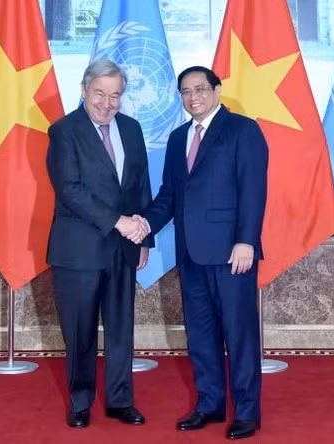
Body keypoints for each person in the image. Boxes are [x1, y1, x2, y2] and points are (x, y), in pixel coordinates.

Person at [138, 66, 268, 440]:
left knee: (239, 335)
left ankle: (247, 412)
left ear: (217, 90)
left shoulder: (243, 130)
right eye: (185, 91)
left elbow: (253, 189)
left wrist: (246, 241)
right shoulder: (178, 137)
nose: (192, 97)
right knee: (201, 335)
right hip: (191, 255)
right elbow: (170, 195)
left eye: (200, 89)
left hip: (232, 253)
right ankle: (209, 404)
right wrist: (145, 226)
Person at [46, 59, 152, 429]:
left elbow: (140, 186)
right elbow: (70, 189)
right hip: (79, 249)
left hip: (124, 249)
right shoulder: (64, 131)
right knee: (80, 332)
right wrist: (120, 223)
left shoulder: (132, 129)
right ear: (84, 90)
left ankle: (121, 401)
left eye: (115, 95)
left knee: (122, 329)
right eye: (100, 94)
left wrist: (144, 237)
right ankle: (80, 402)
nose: (107, 103)